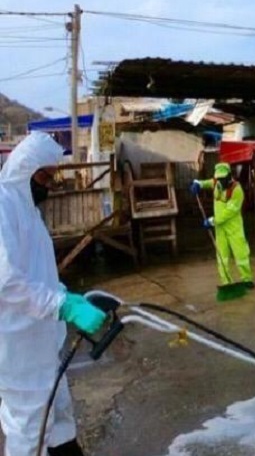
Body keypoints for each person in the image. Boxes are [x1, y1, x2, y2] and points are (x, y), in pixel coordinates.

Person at [0, 132, 107, 456]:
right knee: (30, 427)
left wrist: (67, 296)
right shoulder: (3, 205)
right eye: (46, 177)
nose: (50, 185)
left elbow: (38, 271)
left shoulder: (28, 209)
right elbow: (6, 281)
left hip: (41, 339)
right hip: (17, 344)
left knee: (58, 414)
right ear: (26, 169)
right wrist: (61, 305)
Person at [190, 163, 254, 289]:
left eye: (222, 179)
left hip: (234, 227)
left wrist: (212, 221)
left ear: (229, 176)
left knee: (241, 254)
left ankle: (247, 279)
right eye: (218, 179)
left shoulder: (237, 190)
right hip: (220, 228)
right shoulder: (216, 182)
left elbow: (228, 213)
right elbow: (207, 183)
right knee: (222, 256)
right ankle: (227, 282)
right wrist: (198, 184)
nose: (220, 181)